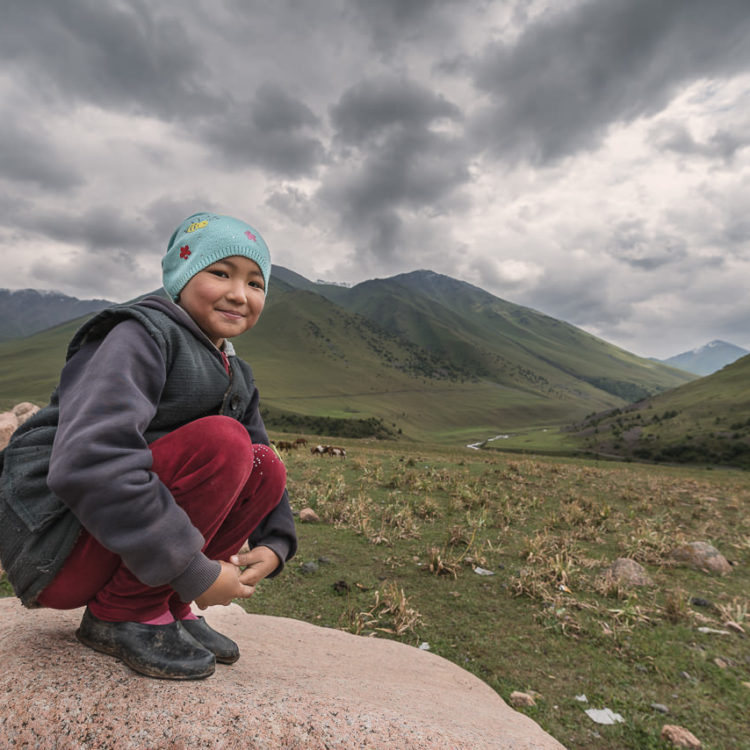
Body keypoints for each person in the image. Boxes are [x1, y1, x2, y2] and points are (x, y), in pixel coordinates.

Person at [0, 212, 297, 680]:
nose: (240, 293)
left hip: (115, 543)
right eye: (220, 273)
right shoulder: (138, 336)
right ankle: (125, 611)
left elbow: (262, 458)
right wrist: (195, 569)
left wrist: (276, 541)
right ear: (181, 276)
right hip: (57, 542)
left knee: (263, 464)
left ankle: (167, 605)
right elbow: (89, 462)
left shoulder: (233, 371)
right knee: (224, 441)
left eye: (256, 283)